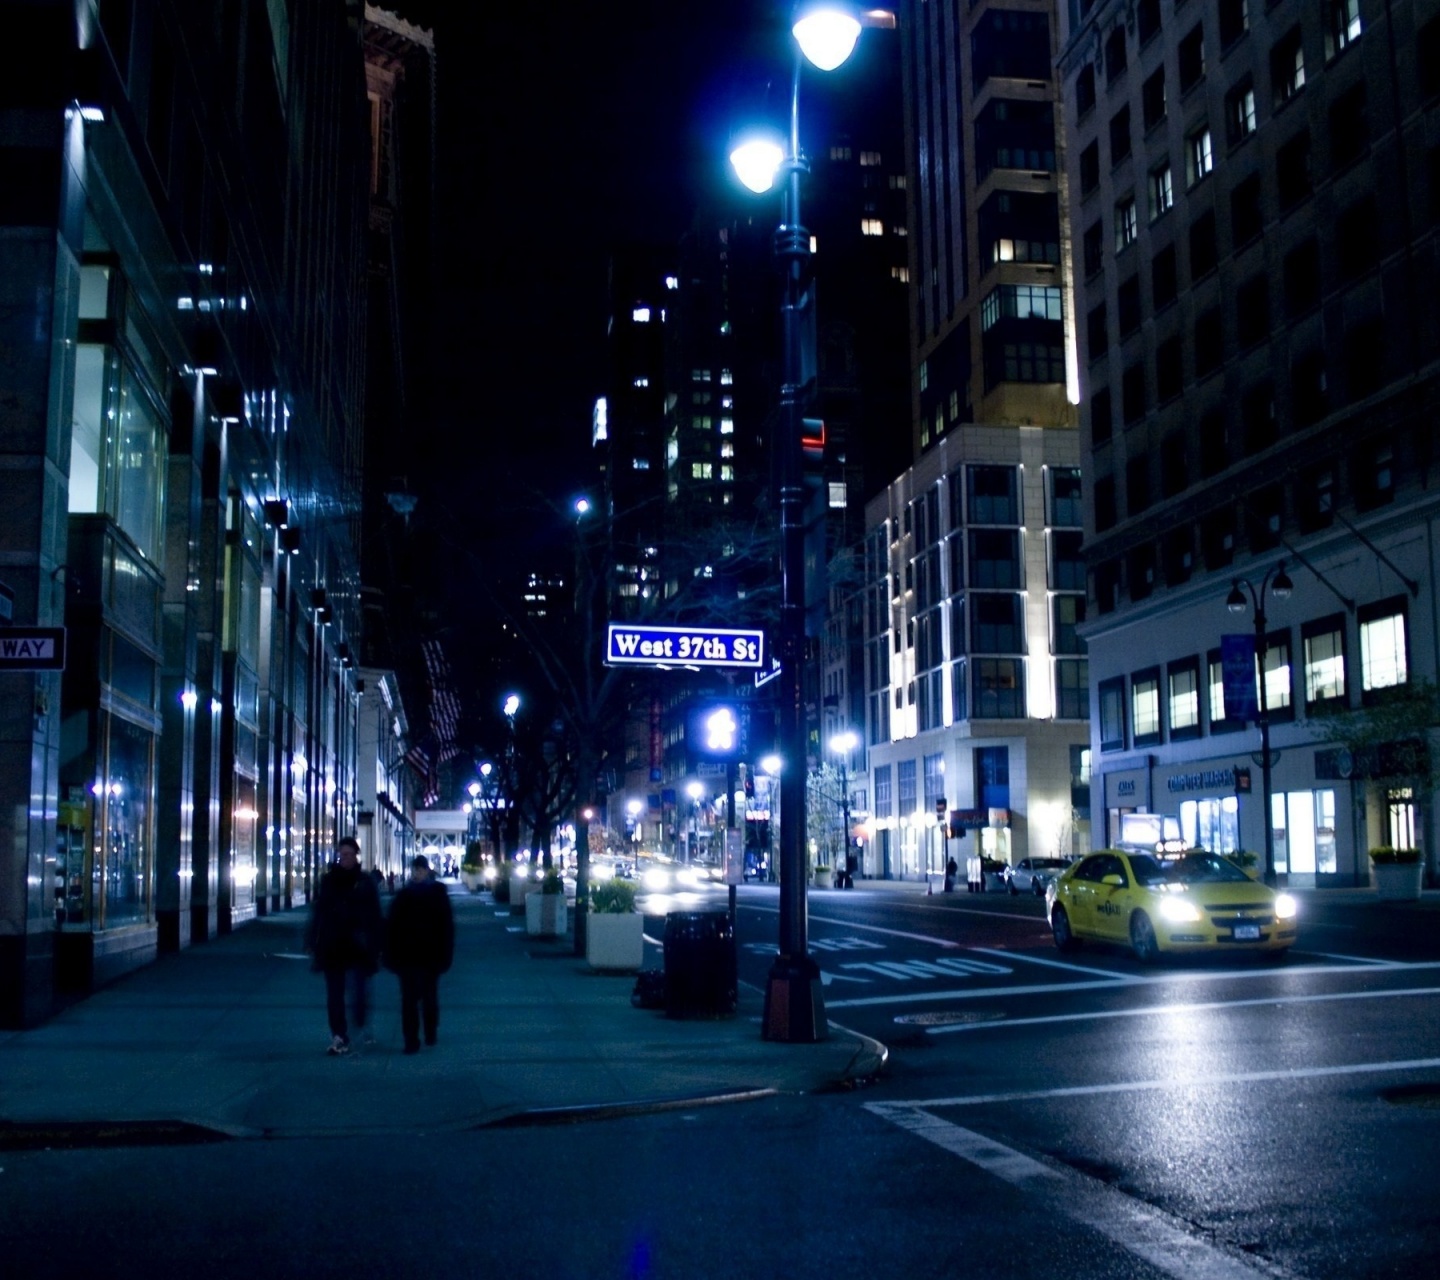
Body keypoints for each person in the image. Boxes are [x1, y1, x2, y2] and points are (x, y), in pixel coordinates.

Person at [305, 835, 383, 1056]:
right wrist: (312, 939)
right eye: (342, 854)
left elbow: (375, 915)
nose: (345, 858)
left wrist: (376, 943)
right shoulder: (329, 881)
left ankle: (359, 1022)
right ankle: (339, 1035)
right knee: (335, 995)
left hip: (357, 947)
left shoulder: (365, 882)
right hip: (334, 946)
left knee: (359, 993)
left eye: (349, 854)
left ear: (356, 856)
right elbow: (319, 911)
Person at [384, 854, 455, 1055]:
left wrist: (445, 954)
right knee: (409, 1000)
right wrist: (391, 953)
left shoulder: (437, 894)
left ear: (427, 871)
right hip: (408, 956)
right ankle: (411, 1040)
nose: (417, 873)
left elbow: (446, 927)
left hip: (430, 955)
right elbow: (392, 927)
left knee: (428, 997)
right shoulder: (404, 895)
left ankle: (430, 1031)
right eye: (415, 870)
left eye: (420, 870)